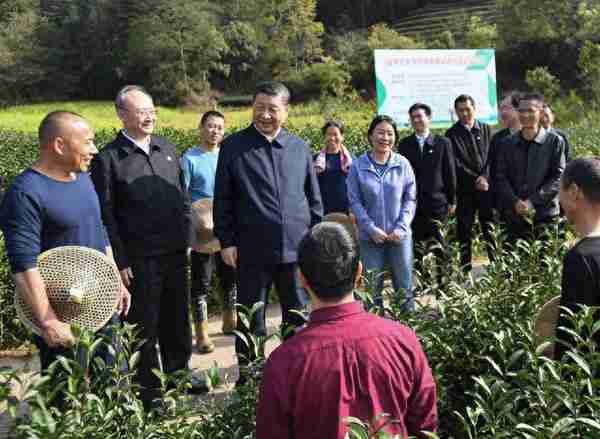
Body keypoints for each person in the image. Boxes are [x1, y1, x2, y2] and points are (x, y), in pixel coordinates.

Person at [256, 222, 438, 439]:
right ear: (359, 271)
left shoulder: (284, 362)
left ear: (302, 278)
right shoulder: (403, 340)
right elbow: (426, 427)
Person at [90, 85, 204, 409]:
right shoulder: (109, 160)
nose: (149, 115)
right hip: (139, 259)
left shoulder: (167, 149)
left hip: (174, 252)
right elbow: (106, 214)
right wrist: (120, 260)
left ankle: (178, 376)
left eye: (152, 108)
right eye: (141, 110)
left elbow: (183, 198)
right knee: (145, 325)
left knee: (177, 319)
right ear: (122, 115)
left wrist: (188, 238)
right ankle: (150, 390)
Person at [0, 111, 130, 376]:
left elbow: (99, 229)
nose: (94, 149)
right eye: (87, 142)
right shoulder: (25, 192)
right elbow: (24, 266)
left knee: (114, 386)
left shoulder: (82, 178)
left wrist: (113, 280)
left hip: (99, 308)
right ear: (59, 145)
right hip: (63, 315)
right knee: (69, 399)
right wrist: (48, 321)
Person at [213, 81, 323, 385]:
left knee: (297, 316)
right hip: (251, 249)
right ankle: (250, 379)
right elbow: (223, 198)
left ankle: (296, 376)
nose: (264, 115)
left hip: (295, 248)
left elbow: (313, 198)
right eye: (259, 108)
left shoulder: (299, 147)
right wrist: (227, 241)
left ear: (286, 111)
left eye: (272, 109)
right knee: (251, 318)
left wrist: (315, 238)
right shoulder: (234, 147)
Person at [347, 115, 416, 311]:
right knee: (372, 289)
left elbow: (410, 199)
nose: (385, 137)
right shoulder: (358, 166)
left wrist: (401, 228)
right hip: (370, 239)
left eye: (389, 133)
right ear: (370, 136)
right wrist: (370, 228)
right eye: (380, 132)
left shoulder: (402, 164)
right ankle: (374, 331)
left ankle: (407, 328)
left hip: (399, 237)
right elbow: (354, 201)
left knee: (404, 287)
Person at [181, 110, 237, 354]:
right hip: (201, 227)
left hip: (226, 226)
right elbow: (182, 197)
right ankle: (202, 332)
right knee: (201, 283)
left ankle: (230, 319)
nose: (215, 131)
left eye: (219, 127)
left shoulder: (228, 155)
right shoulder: (190, 158)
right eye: (211, 126)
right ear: (201, 128)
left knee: (230, 277)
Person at [495, 93, 566, 244]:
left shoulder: (554, 142)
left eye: (530, 110)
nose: (525, 115)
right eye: (521, 111)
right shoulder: (507, 143)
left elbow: (558, 177)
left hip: (545, 215)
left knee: (544, 263)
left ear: (540, 113)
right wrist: (515, 202)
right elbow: (501, 177)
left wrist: (532, 202)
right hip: (514, 215)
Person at [397, 103, 456, 281]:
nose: (417, 120)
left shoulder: (443, 142)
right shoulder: (405, 144)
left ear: (429, 118)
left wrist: (452, 200)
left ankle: (444, 281)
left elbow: (450, 172)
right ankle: (423, 282)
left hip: (438, 203)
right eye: (413, 117)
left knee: (441, 244)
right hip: (414, 204)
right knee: (417, 246)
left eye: (420, 116)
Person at [555, 157, 600, 361]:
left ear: (573, 191)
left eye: (560, 189)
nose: (559, 199)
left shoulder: (580, 258)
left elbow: (571, 341)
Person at [445, 94, 495, 272]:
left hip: (487, 189)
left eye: (468, 109)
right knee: (464, 231)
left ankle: (496, 267)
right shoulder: (451, 134)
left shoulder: (487, 129)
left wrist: (485, 177)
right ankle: (465, 270)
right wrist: (476, 179)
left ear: (474, 108)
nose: (465, 113)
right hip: (465, 191)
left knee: (489, 228)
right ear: (456, 112)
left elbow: (493, 158)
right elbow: (455, 163)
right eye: (460, 110)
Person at [313, 120, 353, 215]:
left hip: (346, 211)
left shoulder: (351, 160)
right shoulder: (315, 159)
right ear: (324, 137)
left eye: (335, 134)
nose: (332, 138)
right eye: (328, 134)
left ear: (342, 137)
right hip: (322, 210)